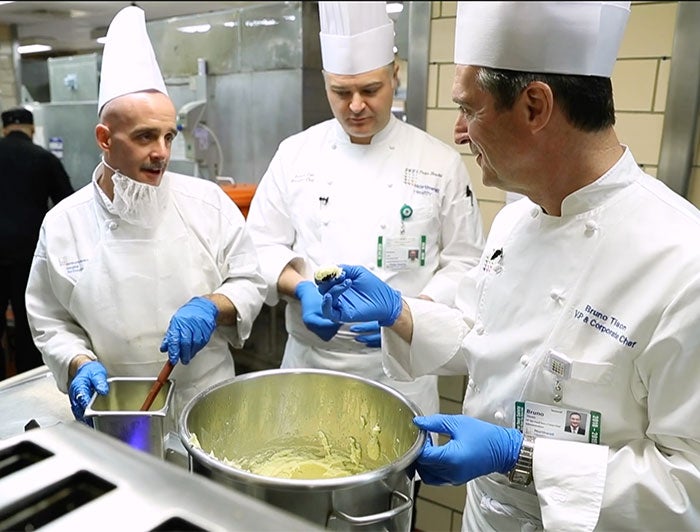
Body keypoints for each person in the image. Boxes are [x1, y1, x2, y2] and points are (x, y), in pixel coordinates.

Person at [316, 1, 700, 530]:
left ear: (535, 107)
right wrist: (400, 313)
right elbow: (484, 334)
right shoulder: (516, 221)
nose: (457, 132)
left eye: (468, 109)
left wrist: (521, 457)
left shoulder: (684, 264)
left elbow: (689, 487)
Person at [245, 0, 484, 422]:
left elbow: (466, 261)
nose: (355, 105)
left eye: (370, 90)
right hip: (308, 366)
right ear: (325, 84)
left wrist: (406, 310)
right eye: (341, 92)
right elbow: (259, 243)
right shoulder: (295, 155)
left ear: (395, 75)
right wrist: (299, 287)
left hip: (398, 371)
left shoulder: (439, 162)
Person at [25, 6, 266, 423]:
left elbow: (249, 280)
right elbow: (50, 319)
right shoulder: (65, 222)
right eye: (145, 137)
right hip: (116, 409)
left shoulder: (207, 202)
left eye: (169, 135)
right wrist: (79, 363)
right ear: (104, 138)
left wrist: (213, 305)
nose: (162, 152)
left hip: (209, 405)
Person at [0, 107, 74, 378]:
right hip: (28, 255)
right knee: (30, 321)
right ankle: (28, 380)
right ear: (31, 129)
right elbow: (68, 204)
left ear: (4, 129)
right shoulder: (44, 159)